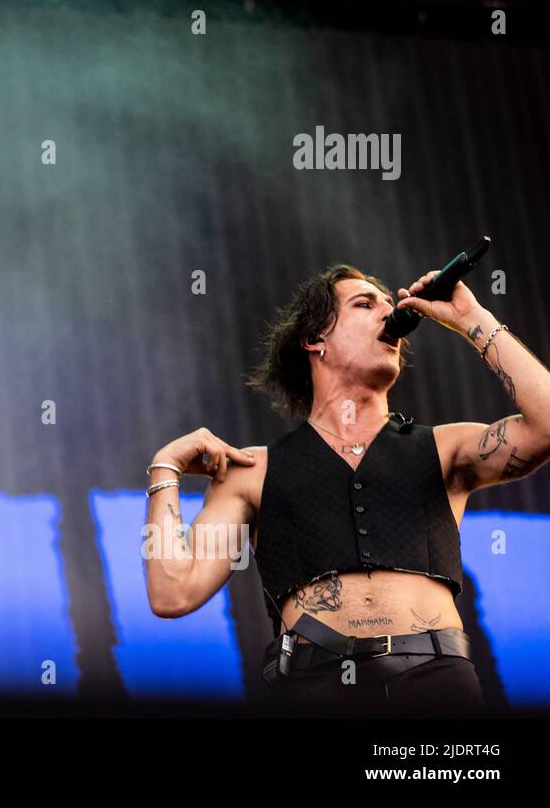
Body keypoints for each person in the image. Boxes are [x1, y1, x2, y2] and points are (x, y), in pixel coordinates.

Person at [144, 263, 550, 713]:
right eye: (364, 303)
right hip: (313, 687)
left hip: (437, 684)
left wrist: (473, 318)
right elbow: (172, 592)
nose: (388, 312)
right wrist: (166, 468)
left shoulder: (444, 448)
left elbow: (546, 425)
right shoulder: (252, 469)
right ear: (315, 338)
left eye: (388, 305)